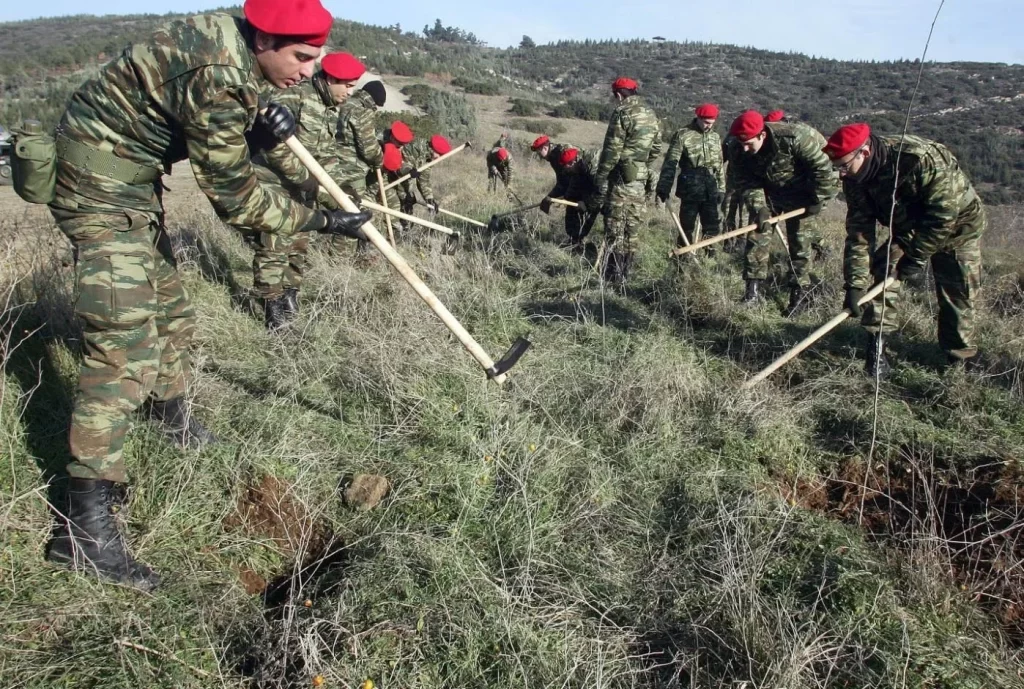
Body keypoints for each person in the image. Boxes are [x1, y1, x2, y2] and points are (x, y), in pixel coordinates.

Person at [43, 0, 371, 591]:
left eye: (315, 59)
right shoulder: (219, 73)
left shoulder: (237, 53)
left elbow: (209, 132)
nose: (305, 72)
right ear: (265, 37)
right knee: (122, 348)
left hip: (131, 186)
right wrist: (319, 221)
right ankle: (84, 529)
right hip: (99, 188)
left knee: (172, 313)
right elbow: (236, 199)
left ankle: (173, 425)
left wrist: (259, 136)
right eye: (300, 57)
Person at [823, 123, 986, 377]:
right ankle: (876, 349)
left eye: (843, 166)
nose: (841, 174)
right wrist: (854, 284)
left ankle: (959, 359)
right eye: (837, 168)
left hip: (959, 227)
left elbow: (943, 216)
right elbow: (859, 232)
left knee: (957, 292)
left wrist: (916, 257)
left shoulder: (919, 159)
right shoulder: (854, 178)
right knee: (885, 270)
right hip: (908, 227)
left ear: (864, 152)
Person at [251, 51, 367, 330]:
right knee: (276, 244)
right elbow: (274, 148)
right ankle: (271, 306)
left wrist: (342, 192)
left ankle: (290, 294)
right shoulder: (295, 97)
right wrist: (309, 181)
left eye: (354, 87)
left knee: (300, 243)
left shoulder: (327, 110)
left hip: (302, 189)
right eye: (347, 86)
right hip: (274, 184)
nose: (350, 93)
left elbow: (326, 157)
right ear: (329, 79)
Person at [727, 110, 838, 313]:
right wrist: (758, 207)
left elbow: (823, 168)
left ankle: (799, 295)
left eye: (749, 143)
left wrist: (818, 199)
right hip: (768, 193)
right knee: (757, 236)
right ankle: (752, 293)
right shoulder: (737, 148)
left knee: (800, 243)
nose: (744, 148)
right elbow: (745, 181)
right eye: (741, 143)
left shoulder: (795, 137)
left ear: (762, 135)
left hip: (802, 194)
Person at [594, 76, 662, 283]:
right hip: (640, 181)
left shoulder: (622, 113)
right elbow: (656, 149)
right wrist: (640, 167)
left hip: (620, 181)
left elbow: (612, 150)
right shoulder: (651, 115)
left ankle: (612, 275)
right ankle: (626, 273)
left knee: (615, 227)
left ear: (618, 94)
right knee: (632, 226)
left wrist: (601, 176)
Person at [656, 103, 725, 247]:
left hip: (710, 189)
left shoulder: (715, 137)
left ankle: (709, 260)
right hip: (690, 189)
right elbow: (671, 162)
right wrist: (664, 186)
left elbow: (719, 164)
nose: (709, 126)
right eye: (706, 122)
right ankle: (683, 260)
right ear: (698, 117)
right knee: (686, 228)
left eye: (712, 123)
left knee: (712, 227)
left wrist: (722, 188)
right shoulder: (683, 135)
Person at [540, 146, 601, 248]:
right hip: (592, 186)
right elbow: (574, 184)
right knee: (573, 206)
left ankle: (581, 243)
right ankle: (573, 241)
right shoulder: (576, 167)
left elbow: (601, 190)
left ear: (572, 163)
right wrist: (565, 197)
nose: (566, 171)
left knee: (588, 212)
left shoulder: (591, 165)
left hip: (606, 188)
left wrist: (587, 204)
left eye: (566, 167)